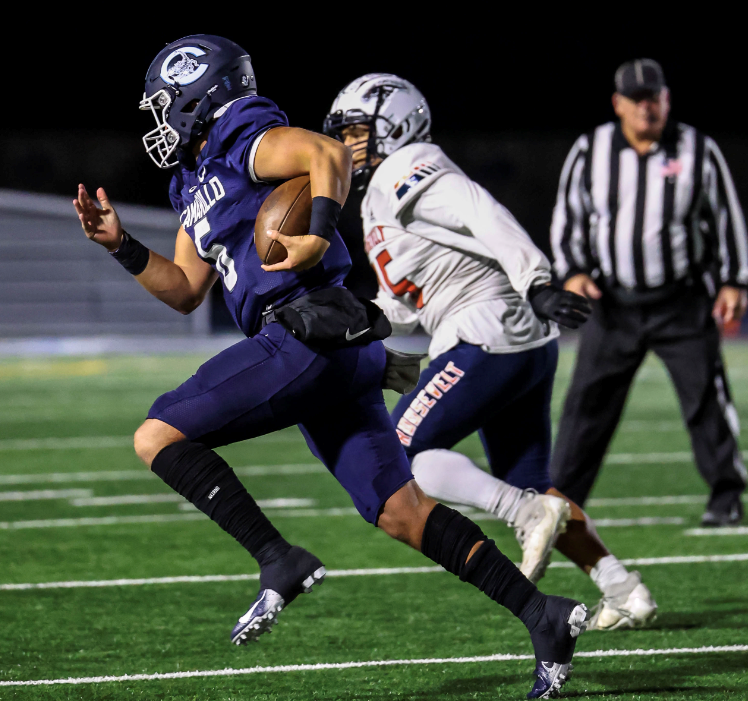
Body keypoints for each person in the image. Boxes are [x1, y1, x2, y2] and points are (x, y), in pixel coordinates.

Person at [72, 36, 588, 699]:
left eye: (166, 105)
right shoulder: (191, 181)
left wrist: (316, 232)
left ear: (200, 96)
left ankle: (277, 558)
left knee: (156, 435)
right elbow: (183, 290)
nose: (160, 121)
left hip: (306, 332)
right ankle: (541, 614)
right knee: (400, 511)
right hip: (331, 350)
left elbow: (324, 154)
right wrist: (121, 246)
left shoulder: (242, 134)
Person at [324, 73, 657, 632]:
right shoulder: (384, 191)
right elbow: (407, 300)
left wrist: (537, 280)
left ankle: (523, 514)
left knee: (398, 453)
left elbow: (481, 210)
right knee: (534, 482)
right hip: (514, 340)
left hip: (489, 328)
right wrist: (360, 323)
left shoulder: (406, 166)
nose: (349, 144)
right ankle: (625, 590)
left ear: (395, 125)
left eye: (359, 131)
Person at [549, 59, 748, 526]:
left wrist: (734, 279)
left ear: (666, 100)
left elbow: (726, 217)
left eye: (654, 97)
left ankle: (726, 494)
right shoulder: (591, 149)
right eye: (636, 99)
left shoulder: (697, 148)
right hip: (613, 303)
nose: (646, 107)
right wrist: (573, 271)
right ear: (618, 103)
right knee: (587, 405)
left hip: (681, 301)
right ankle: (560, 500)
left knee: (705, 397)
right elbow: (568, 217)